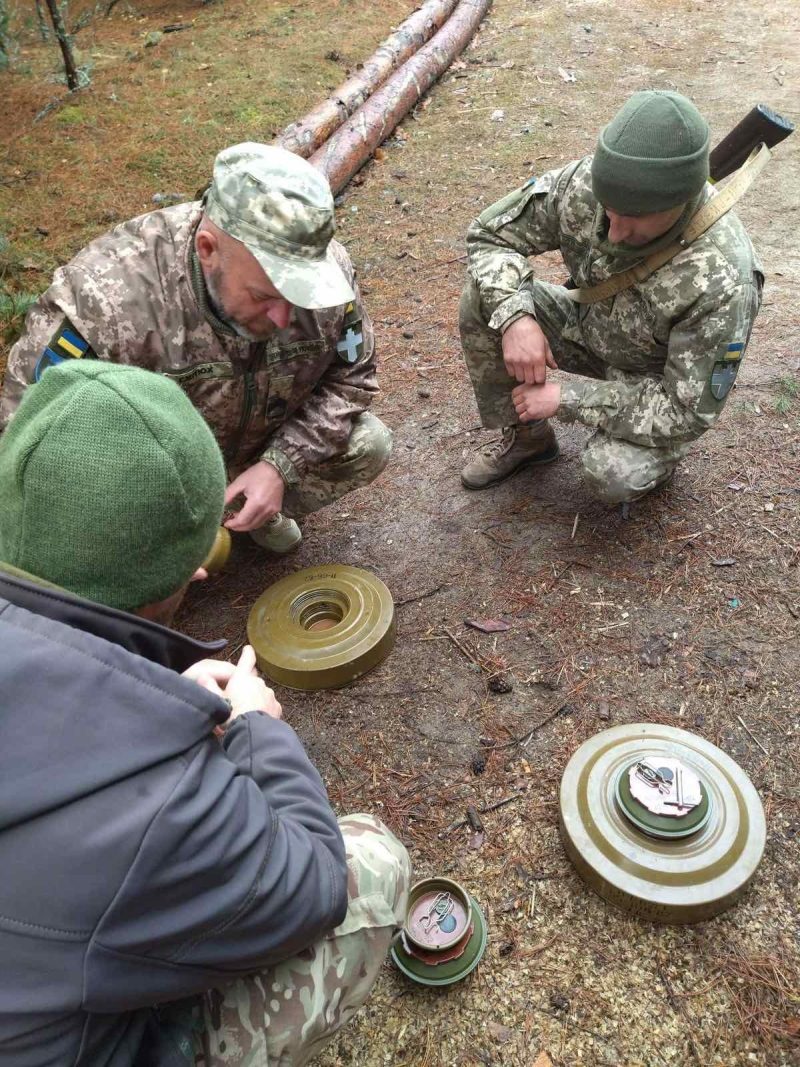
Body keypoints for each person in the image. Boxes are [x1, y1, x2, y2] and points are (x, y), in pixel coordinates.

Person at [0, 360, 410, 1066]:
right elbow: (311, 885)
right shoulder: (161, 807)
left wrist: (143, 694)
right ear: (189, 571)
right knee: (371, 862)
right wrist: (259, 729)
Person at [0, 143, 392, 554]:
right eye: (264, 296)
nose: (283, 318)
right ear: (208, 250)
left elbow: (351, 382)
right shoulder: (104, 301)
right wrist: (127, 520)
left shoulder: (328, 279)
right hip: (146, 480)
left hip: (255, 446)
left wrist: (280, 465)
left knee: (368, 443)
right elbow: (26, 441)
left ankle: (251, 503)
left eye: (299, 296)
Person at [459, 90, 763, 505]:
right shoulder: (584, 184)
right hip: (585, 327)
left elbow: (687, 411)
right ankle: (530, 441)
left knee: (611, 476)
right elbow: (488, 234)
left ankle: (659, 455)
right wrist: (516, 318)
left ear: (680, 202)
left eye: (635, 219)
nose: (614, 234)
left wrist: (566, 398)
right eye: (609, 210)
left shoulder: (724, 276)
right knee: (485, 297)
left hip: (653, 381)